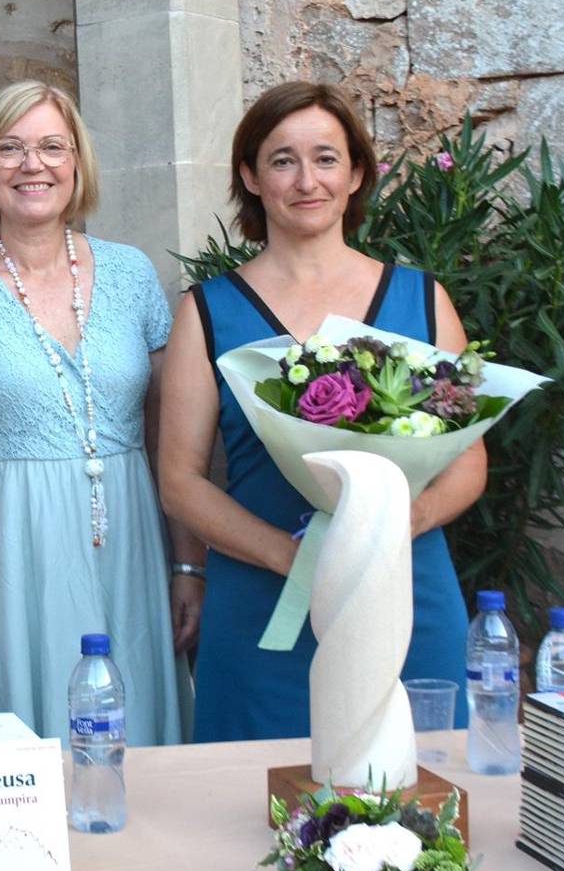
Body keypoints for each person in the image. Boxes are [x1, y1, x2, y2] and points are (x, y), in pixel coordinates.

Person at [157, 81, 483, 742]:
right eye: (282, 160)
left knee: (420, 795)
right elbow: (181, 480)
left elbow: (469, 459)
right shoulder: (206, 313)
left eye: (327, 158)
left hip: (405, 585)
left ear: (356, 172)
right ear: (250, 176)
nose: (307, 179)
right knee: (250, 809)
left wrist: (387, 531)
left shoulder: (423, 299)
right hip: (264, 593)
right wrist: (294, 558)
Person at [0, 81, 200, 744]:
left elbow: (169, 437)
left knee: (131, 758)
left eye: (52, 147)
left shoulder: (132, 275)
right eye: (10, 148)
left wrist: (187, 565)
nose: (32, 164)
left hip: (128, 553)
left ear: (79, 164)